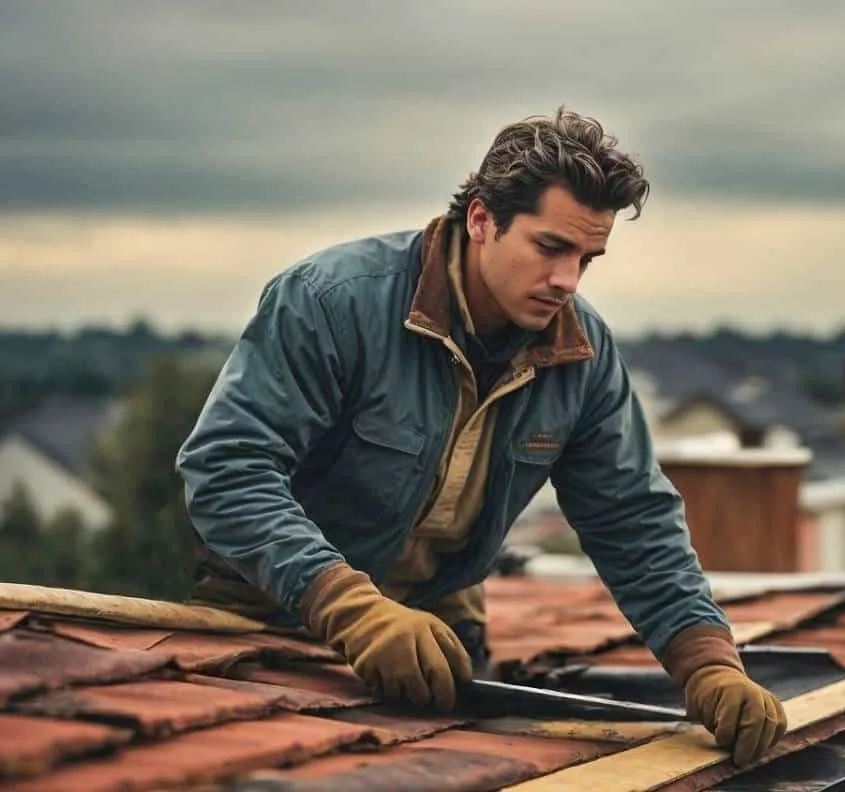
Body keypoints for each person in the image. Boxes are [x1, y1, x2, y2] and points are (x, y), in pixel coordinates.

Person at [175, 107, 786, 767]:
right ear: (481, 220)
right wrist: (352, 608)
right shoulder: (332, 301)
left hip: (440, 634)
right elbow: (227, 468)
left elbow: (632, 518)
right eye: (550, 248)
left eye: (587, 257)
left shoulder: (582, 353)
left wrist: (708, 662)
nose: (567, 281)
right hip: (272, 619)